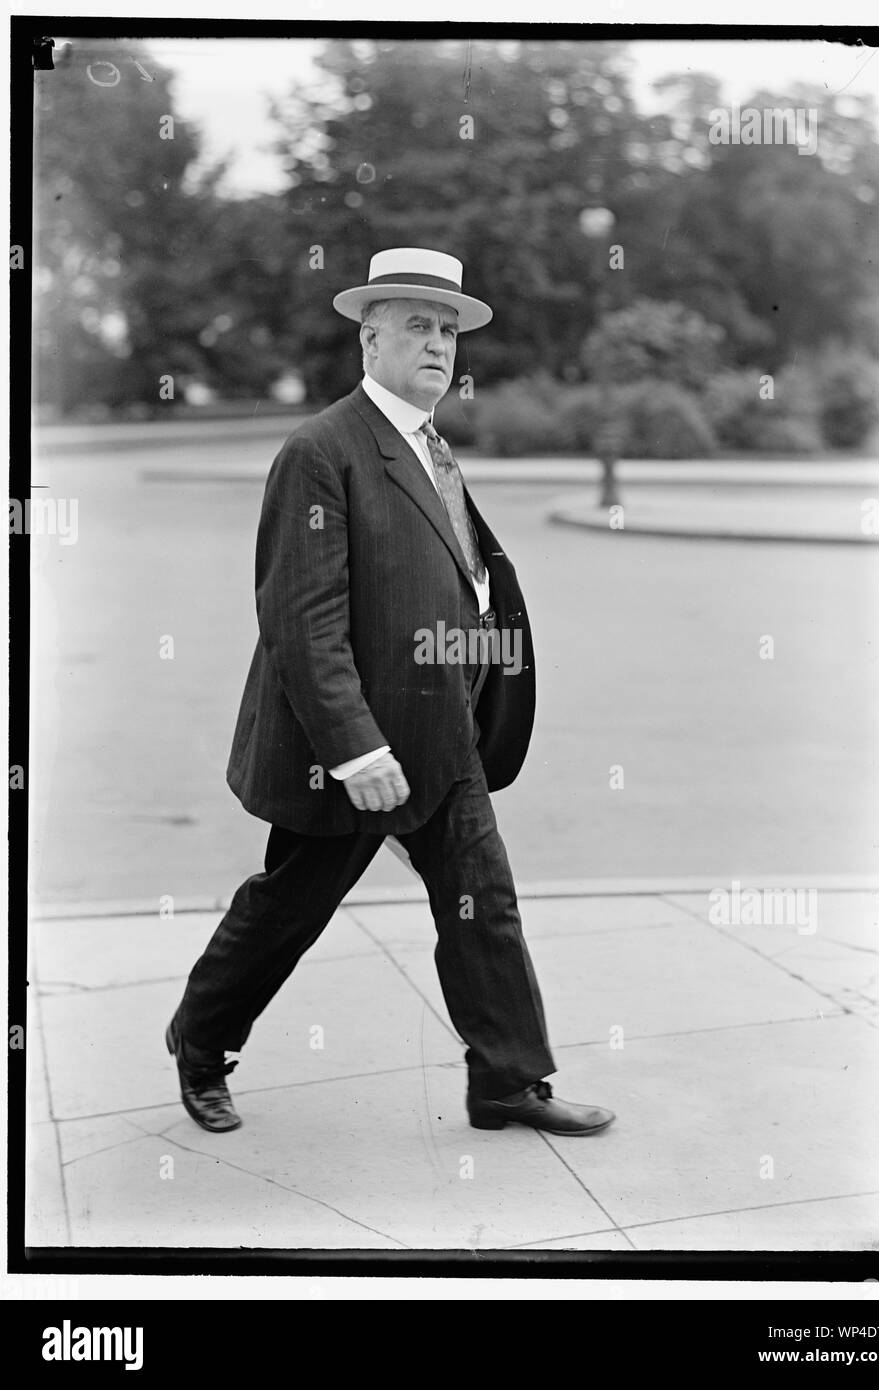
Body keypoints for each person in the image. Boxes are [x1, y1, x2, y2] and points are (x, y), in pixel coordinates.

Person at [167, 248, 614, 1139]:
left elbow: (455, 579)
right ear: (368, 338)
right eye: (416, 324)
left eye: (447, 328)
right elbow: (301, 620)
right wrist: (354, 748)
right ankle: (202, 1043)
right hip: (353, 752)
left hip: (443, 734)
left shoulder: (430, 445)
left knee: (482, 903)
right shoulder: (321, 451)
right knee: (288, 908)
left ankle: (505, 1082)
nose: (438, 343)